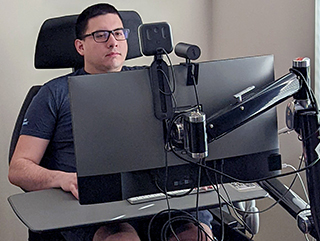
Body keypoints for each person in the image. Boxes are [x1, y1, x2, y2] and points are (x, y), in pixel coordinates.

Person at [8, 3, 213, 241]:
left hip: (158, 194)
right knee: (121, 238)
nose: (113, 42)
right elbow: (19, 169)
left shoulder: (158, 83)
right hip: (95, 205)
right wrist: (61, 179)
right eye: (101, 35)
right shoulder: (54, 93)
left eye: (118, 33)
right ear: (80, 46)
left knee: (194, 235)